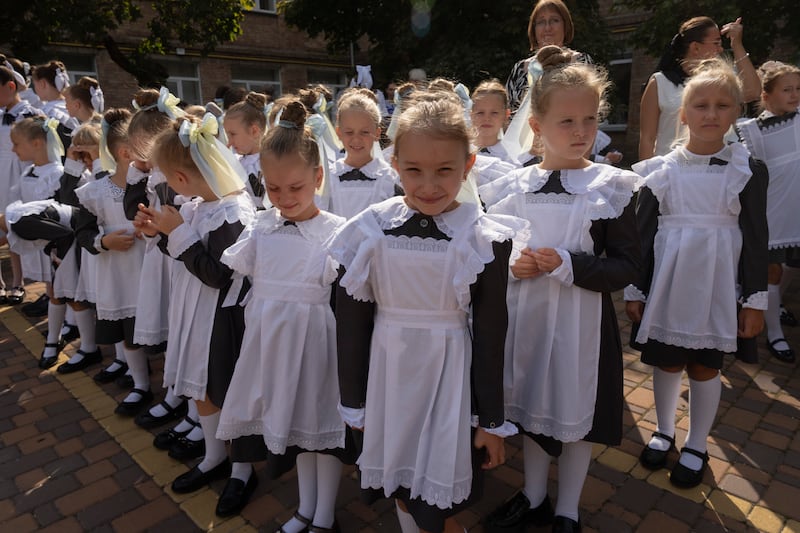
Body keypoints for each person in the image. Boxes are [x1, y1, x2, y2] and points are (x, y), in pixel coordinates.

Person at [327, 91, 527, 533]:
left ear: (468, 166)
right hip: (388, 377)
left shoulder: (481, 236)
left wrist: (490, 419)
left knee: (437, 495)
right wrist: (353, 401)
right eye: (414, 170)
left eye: (445, 171)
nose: (429, 185)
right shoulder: (369, 230)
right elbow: (351, 325)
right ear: (394, 164)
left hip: (448, 381)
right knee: (399, 478)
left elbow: (492, 335)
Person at [480, 46, 641, 533]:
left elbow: (627, 266)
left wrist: (571, 263)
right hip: (525, 320)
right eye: (566, 121)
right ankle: (532, 497)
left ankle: (567, 507)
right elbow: (490, 255)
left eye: (589, 120)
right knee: (528, 406)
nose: (580, 132)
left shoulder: (611, 187)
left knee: (575, 416)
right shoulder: (514, 186)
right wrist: (514, 268)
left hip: (579, 328)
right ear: (536, 125)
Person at [626, 58, 768, 489]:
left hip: (717, 287)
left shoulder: (747, 170)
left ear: (735, 113)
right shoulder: (662, 170)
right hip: (668, 283)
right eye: (700, 106)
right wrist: (635, 286)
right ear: (683, 114)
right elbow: (642, 233)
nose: (710, 114)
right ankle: (664, 429)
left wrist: (755, 298)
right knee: (667, 363)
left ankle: (697, 443)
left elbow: (756, 236)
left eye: (722, 106)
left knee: (705, 368)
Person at [217, 98, 349, 530]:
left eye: (296, 187)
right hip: (270, 346)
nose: (284, 198)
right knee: (294, 431)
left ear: (317, 177)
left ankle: (324, 515)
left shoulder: (335, 232)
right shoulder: (261, 226)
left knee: (319, 430)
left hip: (313, 347)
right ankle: (304, 508)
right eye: (274, 189)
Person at [134, 113, 257, 513]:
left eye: (168, 179)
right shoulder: (197, 204)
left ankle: (242, 470)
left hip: (221, 318)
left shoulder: (231, 211)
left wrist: (177, 233)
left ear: (182, 178)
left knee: (225, 389)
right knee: (202, 389)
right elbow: (182, 256)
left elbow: (219, 274)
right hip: (195, 311)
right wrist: (159, 232)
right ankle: (214, 456)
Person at [4, 120, 105, 371]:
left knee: (73, 295)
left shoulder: (89, 175)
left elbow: (69, 203)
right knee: (59, 292)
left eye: (87, 154)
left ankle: (86, 346)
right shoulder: (67, 172)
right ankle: (57, 339)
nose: (84, 159)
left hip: (76, 239)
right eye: (77, 154)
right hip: (58, 239)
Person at [74, 108, 151, 413]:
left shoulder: (152, 186)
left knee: (160, 331)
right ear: (125, 152)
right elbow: (83, 233)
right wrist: (105, 241)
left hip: (149, 271)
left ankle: (174, 393)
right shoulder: (96, 192)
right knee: (129, 333)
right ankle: (141, 384)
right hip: (119, 275)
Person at [736, 61, 800, 364]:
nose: (794, 94)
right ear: (766, 95)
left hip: (797, 211)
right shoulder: (753, 132)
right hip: (773, 212)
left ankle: (778, 308)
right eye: (787, 89)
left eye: (798, 88)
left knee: (792, 267)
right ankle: (775, 333)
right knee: (771, 272)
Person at [638, 16, 760, 160]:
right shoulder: (659, 82)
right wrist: (646, 178)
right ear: (695, 47)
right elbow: (647, 138)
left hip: (721, 168)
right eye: (716, 43)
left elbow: (753, 92)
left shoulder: (723, 80)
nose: (720, 49)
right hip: (674, 172)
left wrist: (737, 44)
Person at [0, 63, 42, 305]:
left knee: (15, 226)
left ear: (11, 86)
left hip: (21, 173)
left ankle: (18, 281)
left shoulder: (30, 113)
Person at [505, 0, 591, 116]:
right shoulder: (519, 69)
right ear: (534, 29)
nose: (547, 27)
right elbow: (507, 114)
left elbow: (591, 107)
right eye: (541, 22)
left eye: (554, 20)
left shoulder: (581, 62)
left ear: (565, 26)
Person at [325, 88, 398, 219]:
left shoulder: (389, 178)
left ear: (377, 133)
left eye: (364, 132)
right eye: (349, 132)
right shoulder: (329, 177)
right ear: (339, 133)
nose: (356, 139)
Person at [223, 91, 268, 206]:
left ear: (254, 131)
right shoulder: (236, 162)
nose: (230, 142)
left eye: (233, 134)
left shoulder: (269, 163)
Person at [471, 79, 514, 164]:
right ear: (471, 115)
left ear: (506, 115)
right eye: (480, 113)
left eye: (494, 113)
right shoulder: (459, 152)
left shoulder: (514, 157)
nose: (487, 118)